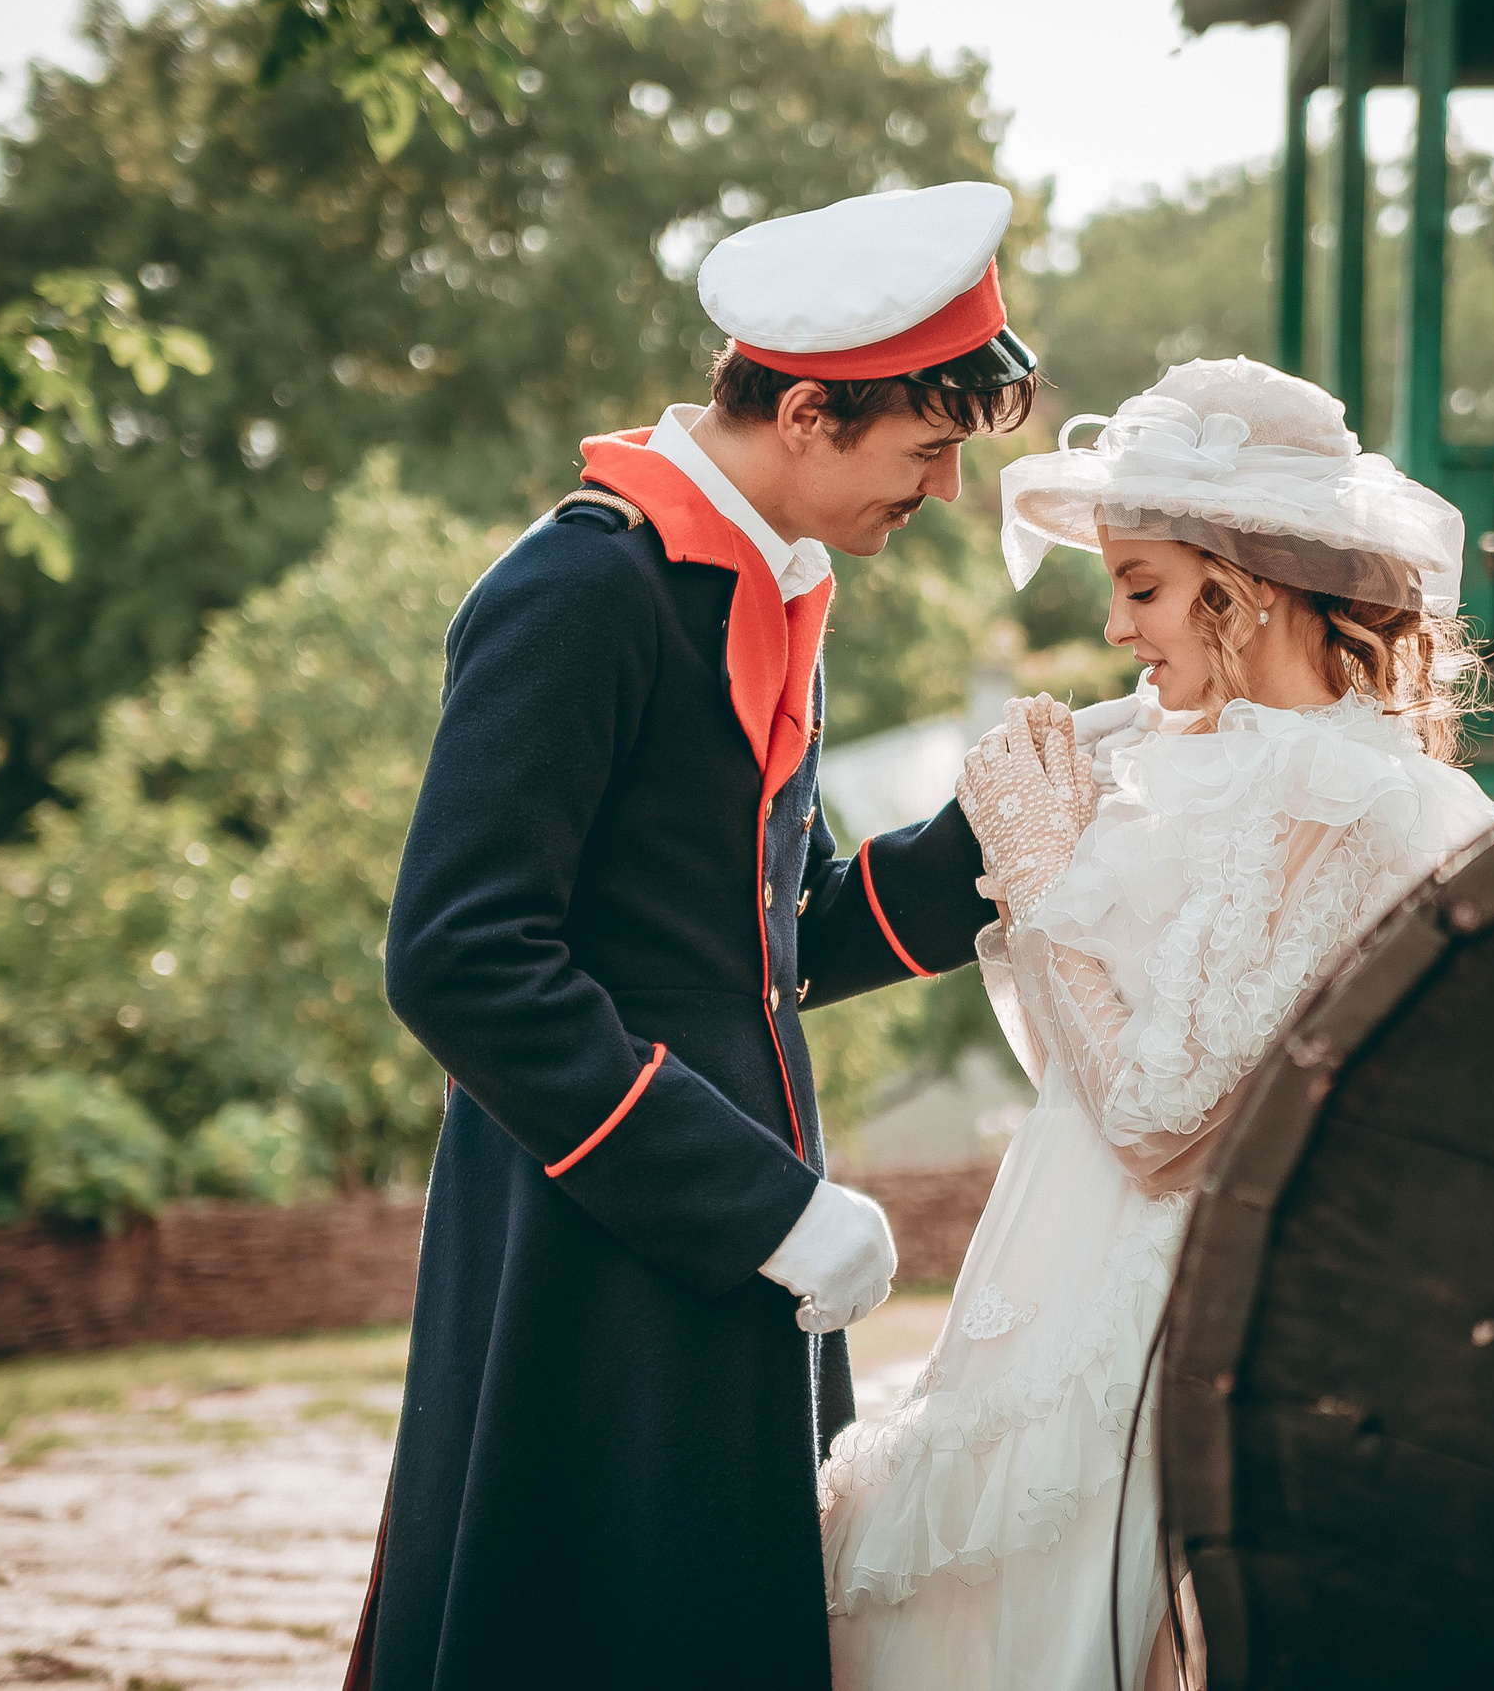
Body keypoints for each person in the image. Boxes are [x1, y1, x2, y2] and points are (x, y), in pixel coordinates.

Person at [351, 183, 1037, 1690]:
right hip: (593, 1242)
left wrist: (1001, 843)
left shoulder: (771, 580)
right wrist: (761, 1207)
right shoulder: (582, 585)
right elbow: (460, 954)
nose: (932, 494)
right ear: (806, 412)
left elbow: (763, 932)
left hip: (717, 1236)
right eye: (924, 451)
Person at [818, 357, 1494, 1690]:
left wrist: (1041, 872)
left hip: (1159, 1311)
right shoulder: (1177, 757)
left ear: (1242, 584)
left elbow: (1158, 1120)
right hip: (1055, 1264)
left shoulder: (1358, 797)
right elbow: (1078, 1059)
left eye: (1141, 587)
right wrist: (1043, 865)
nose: (1122, 631)